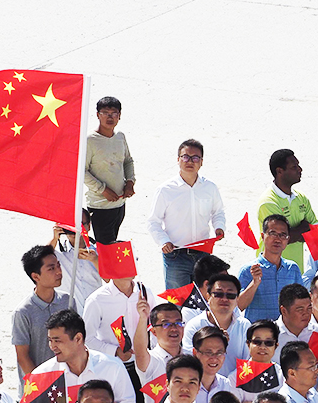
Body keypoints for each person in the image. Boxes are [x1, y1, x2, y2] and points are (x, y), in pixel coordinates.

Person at [22, 310, 135, 403]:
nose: (52, 346)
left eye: (57, 340)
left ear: (78, 338)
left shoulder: (112, 367)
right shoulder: (41, 375)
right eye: (50, 340)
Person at [83, 274, 159, 403]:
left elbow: (155, 326)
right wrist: (115, 351)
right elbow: (86, 339)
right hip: (111, 367)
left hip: (140, 366)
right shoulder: (97, 299)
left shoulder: (144, 292)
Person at [147, 139, 226, 289]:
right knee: (178, 301)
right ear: (178, 160)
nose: (190, 161)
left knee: (204, 299)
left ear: (201, 162)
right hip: (176, 255)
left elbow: (218, 212)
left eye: (195, 158)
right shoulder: (165, 190)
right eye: (185, 157)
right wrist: (164, 241)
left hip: (203, 254)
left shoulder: (210, 187)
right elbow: (153, 222)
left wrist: (219, 227)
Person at [12, 244, 71, 381]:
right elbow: (22, 356)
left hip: (67, 381)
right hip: (38, 385)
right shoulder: (23, 312)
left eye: (58, 265)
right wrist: (41, 384)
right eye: (51, 268)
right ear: (35, 276)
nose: (59, 271)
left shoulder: (68, 301)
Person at [84, 96, 135, 244]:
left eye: (114, 113)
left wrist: (130, 182)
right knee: (105, 248)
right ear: (97, 115)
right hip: (99, 206)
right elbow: (81, 172)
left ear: (119, 115)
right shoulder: (89, 140)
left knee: (112, 245)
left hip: (119, 204)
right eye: (105, 113)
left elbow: (128, 161)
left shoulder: (120, 137)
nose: (110, 117)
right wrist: (103, 189)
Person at [257, 148, 318, 270]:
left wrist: (296, 232)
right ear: (279, 171)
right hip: (270, 269)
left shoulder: (301, 197)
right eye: (294, 167)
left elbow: (315, 230)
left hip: (296, 269)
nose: (300, 169)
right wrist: (303, 228)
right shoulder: (268, 202)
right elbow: (281, 237)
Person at [237, 215, 304, 321]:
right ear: (263, 236)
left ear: (288, 239)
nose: (278, 239)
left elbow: (301, 302)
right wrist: (254, 283)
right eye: (273, 233)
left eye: (283, 235)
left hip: (286, 330)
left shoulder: (292, 268)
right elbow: (238, 306)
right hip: (257, 330)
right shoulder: (248, 270)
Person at [183, 274, 251, 377]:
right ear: (208, 297)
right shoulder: (194, 326)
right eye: (218, 294)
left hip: (238, 384)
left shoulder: (244, 326)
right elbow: (190, 362)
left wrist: (229, 383)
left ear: (237, 299)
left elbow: (248, 362)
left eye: (230, 295)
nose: (224, 299)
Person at [131, 301, 184, 403]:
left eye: (178, 323)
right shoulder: (151, 360)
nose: (174, 328)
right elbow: (139, 350)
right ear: (153, 331)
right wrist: (143, 318)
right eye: (166, 324)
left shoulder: (192, 357)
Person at [49, 211, 102, 313]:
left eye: (80, 225)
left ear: (88, 226)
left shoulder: (98, 250)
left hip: (96, 310)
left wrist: (95, 260)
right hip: (70, 312)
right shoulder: (58, 252)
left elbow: (109, 279)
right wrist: (54, 238)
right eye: (70, 225)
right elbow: (40, 259)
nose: (75, 229)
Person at [191, 326, 237, 403]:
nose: (214, 358)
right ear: (195, 353)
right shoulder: (185, 385)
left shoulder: (225, 384)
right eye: (208, 353)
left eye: (219, 353)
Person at [276, 283, 318, 356]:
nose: (306, 313)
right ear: (284, 311)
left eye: (309, 308)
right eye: (300, 309)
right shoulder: (269, 336)